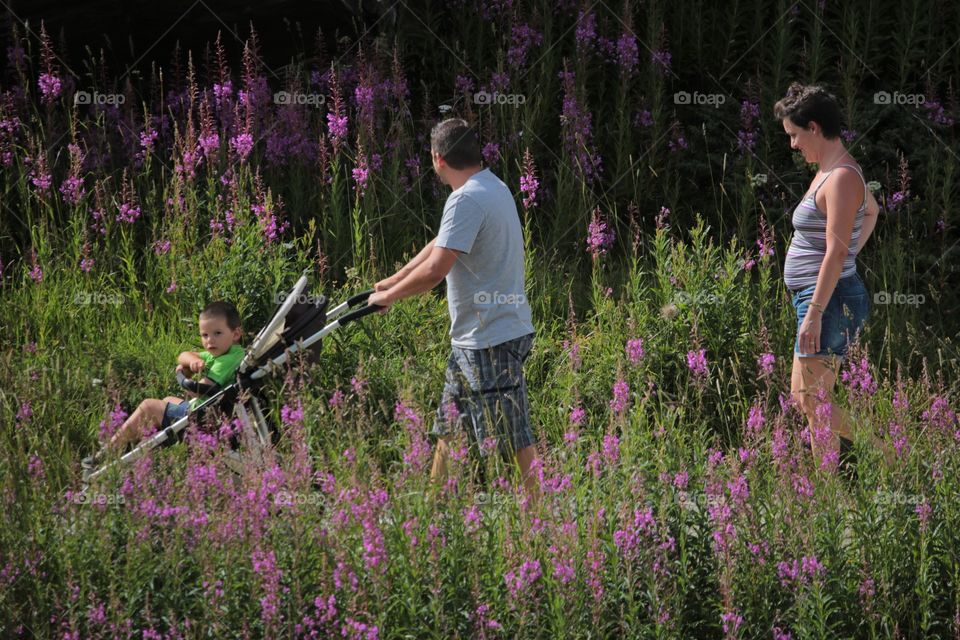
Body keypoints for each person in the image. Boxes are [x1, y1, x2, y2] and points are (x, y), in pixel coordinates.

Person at [368, 118, 540, 497]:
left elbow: (435, 271)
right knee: (449, 424)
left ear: (437, 158)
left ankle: (539, 520)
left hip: (490, 337)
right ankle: (432, 508)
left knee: (514, 436)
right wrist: (394, 279)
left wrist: (388, 299)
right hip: (475, 338)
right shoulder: (492, 186)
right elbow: (440, 244)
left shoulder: (464, 198)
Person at [774, 83, 885, 465]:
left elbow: (836, 249)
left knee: (810, 400)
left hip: (828, 300)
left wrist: (816, 311)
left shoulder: (841, 177)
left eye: (794, 134)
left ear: (815, 127)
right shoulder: (830, 172)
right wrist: (846, 257)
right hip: (822, 296)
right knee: (809, 400)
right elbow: (872, 211)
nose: (792, 144)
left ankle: (889, 452)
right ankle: (830, 495)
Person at [83, 301, 244, 469]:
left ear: (236, 333)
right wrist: (193, 361)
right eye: (204, 335)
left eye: (217, 333)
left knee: (149, 407)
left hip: (204, 419)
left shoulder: (227, 360)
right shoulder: (225, 352)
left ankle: (107, 452)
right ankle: (140, 446)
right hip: (212, 411)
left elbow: (200, 390)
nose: (210, 341)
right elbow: (183, 355)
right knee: (168, 399)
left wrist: (186, 378)